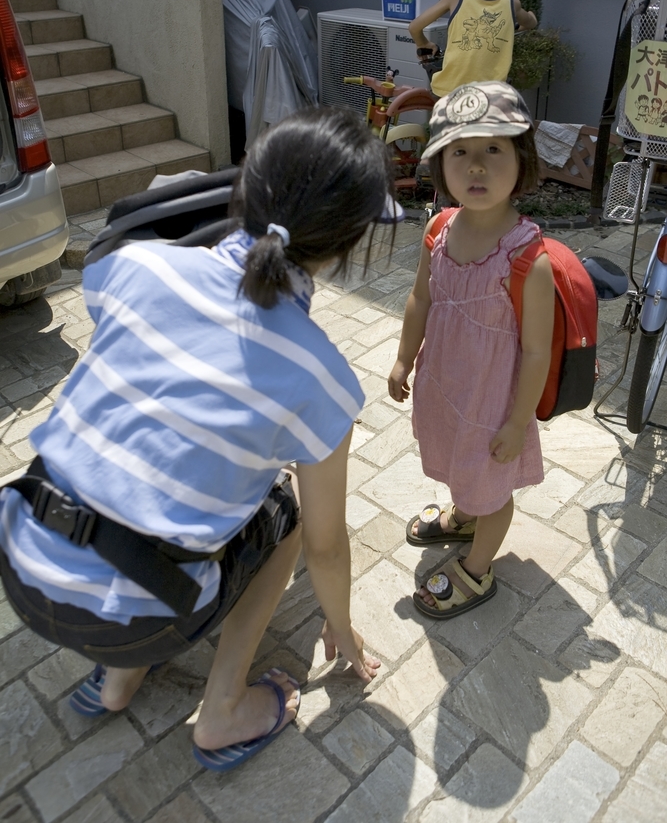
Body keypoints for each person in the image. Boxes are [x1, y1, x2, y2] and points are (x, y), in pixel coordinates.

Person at [0, 107, 398, 771]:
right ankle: (222, 710)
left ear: (239, 189)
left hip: (21, 559)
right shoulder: (320, 376)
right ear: (345, 245)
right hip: (137, 615)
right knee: (287, 512)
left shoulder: (136, 265)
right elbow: (327, 548)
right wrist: (342, 629)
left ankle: (119, 679)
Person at [387, 82, 554, 619]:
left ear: (521, 159)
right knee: (462, 463)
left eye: (494, 149)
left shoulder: (527, 258)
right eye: (460, 150)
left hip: (492, 402)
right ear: (440, 163)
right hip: (447, 386)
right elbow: (421, 297)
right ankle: (464, 516)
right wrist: (404, 357)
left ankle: (478, 568)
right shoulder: (439, 229)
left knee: (492, 486)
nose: (476, 166)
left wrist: (517, 423)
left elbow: (536, 353)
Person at [408, 0, 537, 96]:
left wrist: (423, 43)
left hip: (450, 92)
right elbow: (530, 23)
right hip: (489, 96)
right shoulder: (512, 4)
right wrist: (529, 16)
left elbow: (414, 27)